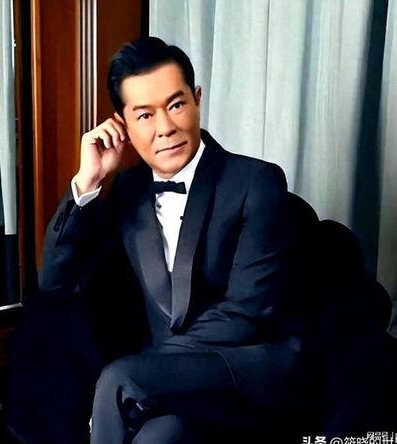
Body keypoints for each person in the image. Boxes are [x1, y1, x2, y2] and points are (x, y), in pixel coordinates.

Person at [34, 36, 305, 443]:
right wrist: (88, 182)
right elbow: (55, 282)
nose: (165, 128)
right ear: (123, 125)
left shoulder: (257, 181)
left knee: (118, 378)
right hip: (168, 388)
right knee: (158, 436)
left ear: (197, 99)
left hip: (246, 373)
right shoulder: (127, 191)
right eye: (144, 115)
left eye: (176, 105)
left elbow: (248, 312)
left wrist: (143, 373)